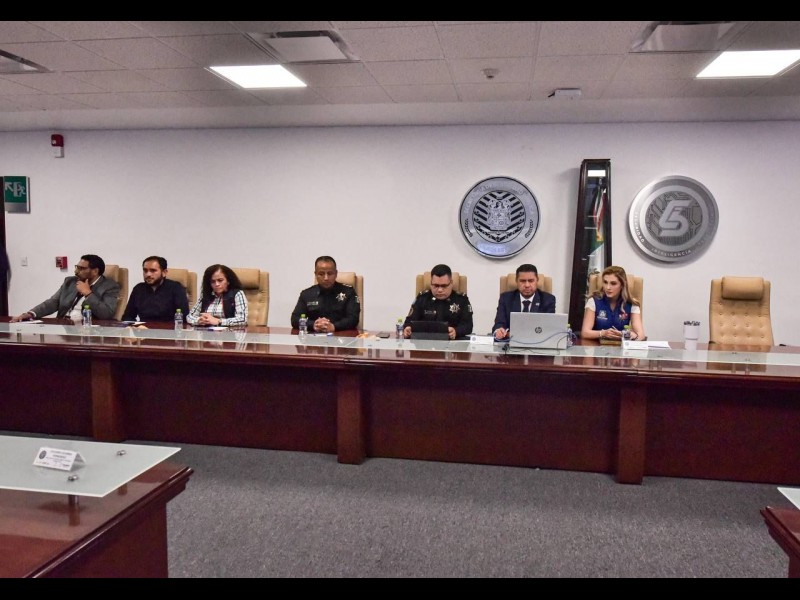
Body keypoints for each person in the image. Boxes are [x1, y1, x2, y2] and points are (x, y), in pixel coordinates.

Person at [10, 254, 120, 322]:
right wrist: (31, 314)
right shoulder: (70, 281)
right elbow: (53, 302)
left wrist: (88, 293)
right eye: (77, 267)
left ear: (95, 271)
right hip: (63, 326)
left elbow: (106, 314)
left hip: (88, 331)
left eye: (82, 268)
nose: (76, 271)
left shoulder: (110, 286)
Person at [402, 263, 473, 340]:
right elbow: (408, 322)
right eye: (436, 285)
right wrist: (407, 328)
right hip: (425, 343)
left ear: (451, 283)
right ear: (430, 284)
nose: (440, 290)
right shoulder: (422, 298)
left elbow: (468, 325)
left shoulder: (462, 300)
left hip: (452, 343)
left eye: (444, 286)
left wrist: (456, 331)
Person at [291, 256, 360, 333]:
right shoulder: (306, 294)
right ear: (315, 274)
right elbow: (295, 319)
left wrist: (334, 326)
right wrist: (313, 324)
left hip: (341, 336)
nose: (326, 278)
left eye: (330, 273)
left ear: (336, 274)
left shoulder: (348, 292)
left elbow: (353, 319)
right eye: (321, 274)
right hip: (313, 337)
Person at [492, 263, 556, 340]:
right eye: (522, 281)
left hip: (537, 343)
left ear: (537, 280)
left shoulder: (548, 300)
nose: (527, 285)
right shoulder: (506, 298)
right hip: (510, 343)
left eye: (531, 281)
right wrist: (498, 331)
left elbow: (548, 329)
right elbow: (499, 324)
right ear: (516, 281)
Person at [580, 265, 645, 341]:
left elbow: (641, 335)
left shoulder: (631, 304)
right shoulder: (593, 301)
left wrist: (625, 334)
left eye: (613, 283)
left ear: (622, 285)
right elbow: (585, 333)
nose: (608, 287)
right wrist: (603, 333)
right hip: (597, 345)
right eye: (605, 282)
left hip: (621, 345)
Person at [121, 256, 190, 322]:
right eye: (145, 270)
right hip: (143, 329)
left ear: (164, 272)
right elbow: (128, 317)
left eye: (153, 270)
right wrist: (135, 326)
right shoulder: (138, 289)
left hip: (169, 329)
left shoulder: (176, 288)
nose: (148, 274)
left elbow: (183, 318)